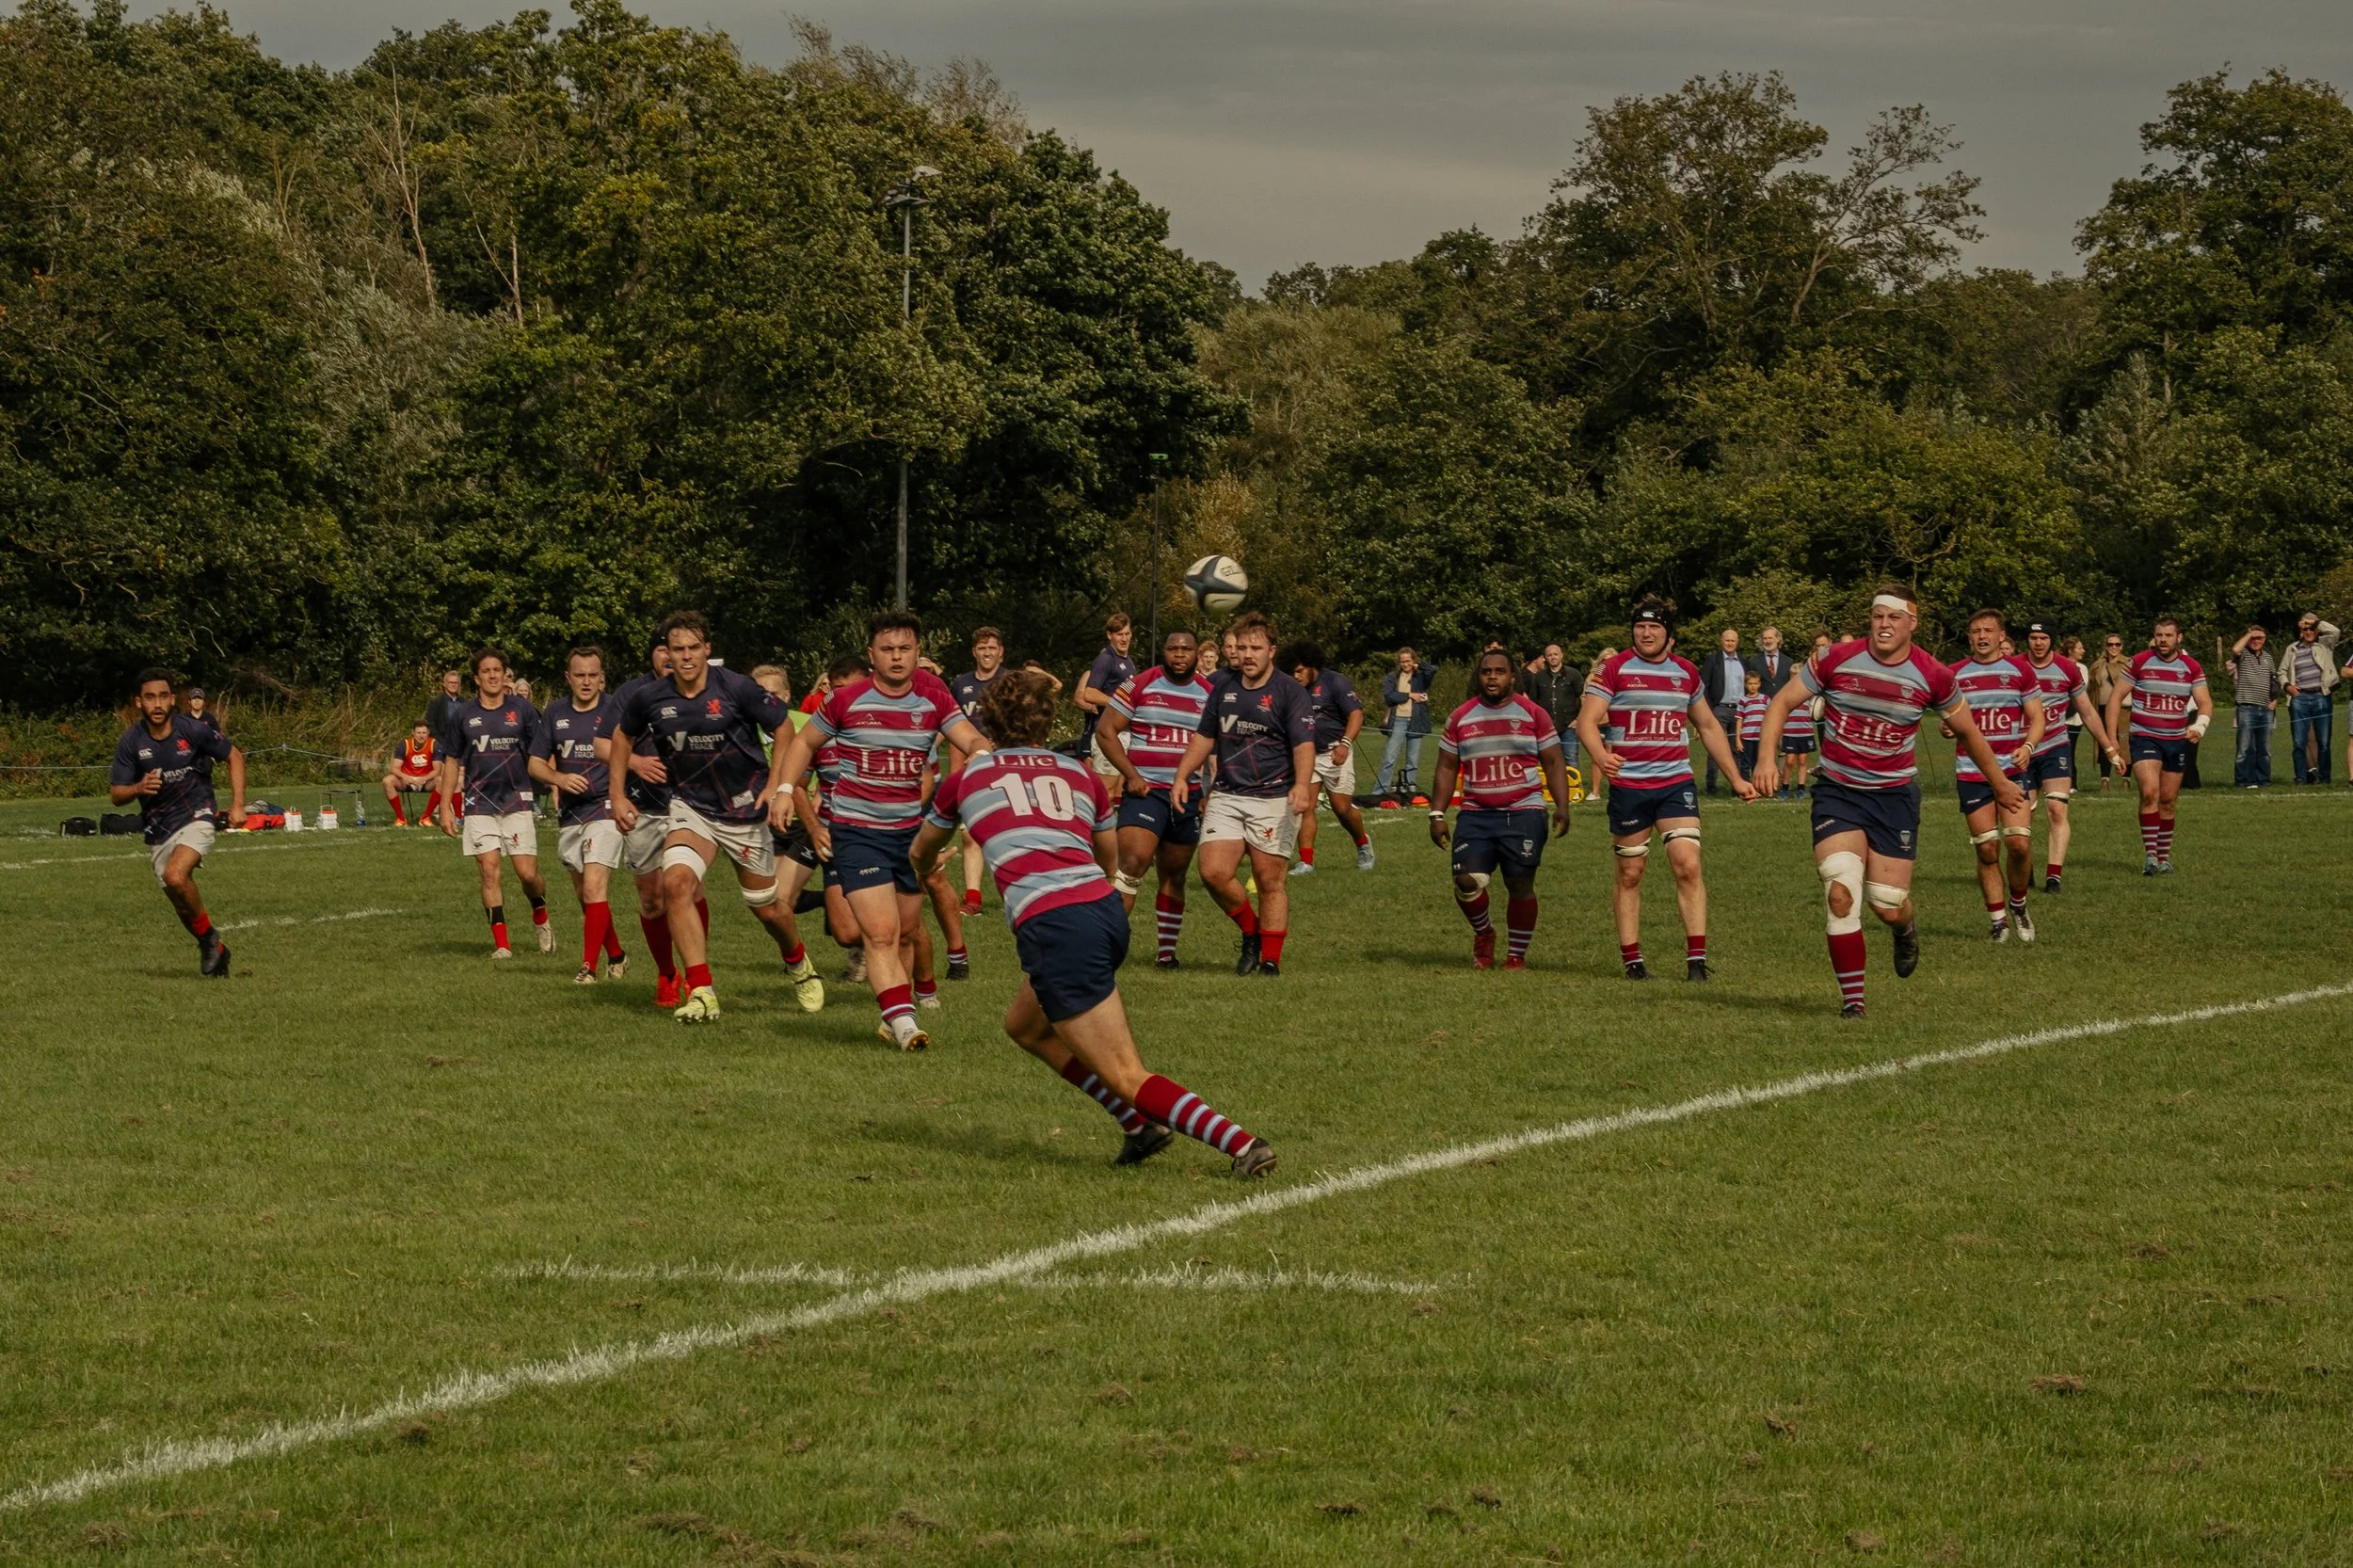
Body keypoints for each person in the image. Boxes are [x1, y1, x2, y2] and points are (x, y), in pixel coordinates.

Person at [911, 671, 1276, 1176]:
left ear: (986, 722)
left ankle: (1240, 1143)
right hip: (1102, 911)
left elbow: (921, 850)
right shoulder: (1078, 772)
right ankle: (1138, 1126)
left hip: (1056, 926)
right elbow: (1112, 860)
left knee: (1126, 1071)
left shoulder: (966, 779)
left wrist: (922, 867)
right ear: (1047, 722)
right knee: (1025, 1026)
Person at [1753, 588, 2019, 1017]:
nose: (1884, 624)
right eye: (1878, 616)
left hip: (1893, 797)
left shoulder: (1933, 674)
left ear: (1912, 624)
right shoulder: (1837, 659)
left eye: (1894, 618)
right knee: (1840, 892)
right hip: (1838, 791)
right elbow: (1782, 703)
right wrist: (1766, 758)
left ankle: (1905, 928)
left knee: (1885, 901)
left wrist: (2001, 784)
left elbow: (1969, 733)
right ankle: (1853, 1003)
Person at [775, 611, 989, 1048]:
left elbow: (969, 737)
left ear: (917, 654)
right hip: (856, 832)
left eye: (905, 649)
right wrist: (782, 788)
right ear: (872, 655)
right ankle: (905, 1022)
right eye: (888, 650)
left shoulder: (935, 698)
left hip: (909, 836)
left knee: (907, 932)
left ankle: (894, 1015)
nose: (896, 657)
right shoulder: (846, 699)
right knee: (879, 933)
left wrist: (984, 755)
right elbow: (803, 742)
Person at [609, 613, 822, 1023]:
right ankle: (702, 990)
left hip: (744, 812)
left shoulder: (737, 687)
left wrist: (778, 787)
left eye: (693, 648)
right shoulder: (650, 697)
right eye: (677, 649)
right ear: (666, 653)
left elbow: (783, 729)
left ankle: (798, 962)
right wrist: (617, 794)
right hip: (692, 808)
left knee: (768, 909)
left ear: (707, 649)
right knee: (675, 882)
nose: (685, 657)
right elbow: (622, 736)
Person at [1577, 600, 1753, 982]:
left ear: (1668, 635)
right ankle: (1633, 962)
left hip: (1675, 782)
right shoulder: (1615, 668)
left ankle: (1696, 963)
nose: (1646, 633)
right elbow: (1586, 723)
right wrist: (1600, 756)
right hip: (1629, 786)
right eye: (1640, 626)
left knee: (1688, 865)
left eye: (1654, 627)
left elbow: (1707, 726)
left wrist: (1737, 779)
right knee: (1630, 874)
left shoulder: (1686, 672)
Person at [1170, 611, 1316, 977]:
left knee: (1270, 881)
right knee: (1213, 872)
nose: (1248, 654)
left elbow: (1303, 745)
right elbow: (1205, 736)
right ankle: (1251, 931)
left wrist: (1301, 785)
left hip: (1274, 797)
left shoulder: (1289, 692)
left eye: (1256, 647)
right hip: (1228, 794)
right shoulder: (1223, 687)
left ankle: (1270, 961)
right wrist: (1181, 776)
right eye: (1243, 647)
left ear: (1272, 651)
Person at [1430, 649, 1573, 968]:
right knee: (1466, 881)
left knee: (1519, 883)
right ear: (1478, 677)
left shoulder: (1533, 714)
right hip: (1476, 813)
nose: (1492, 677)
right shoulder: (1460, 717)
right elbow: (1445, 766)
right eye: (1486, 672)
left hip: (1524, 812)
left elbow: (1553, 761)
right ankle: (1484, 933)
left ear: (1512, 677)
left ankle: (1516, 955)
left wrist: (1562, 806)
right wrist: (1436, 814)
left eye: (1499, 671)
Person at [110, 669, 246, 976]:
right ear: (138, 703)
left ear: (172, 699)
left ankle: (209, 940)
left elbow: (234, 756)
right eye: (149, 697)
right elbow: (116, 794)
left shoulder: (193, 730)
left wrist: (238, 804)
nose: (157, 704)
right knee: (179, 898)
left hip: (198, 812)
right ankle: (214, 948)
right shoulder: (131, 742)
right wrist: (136, 789)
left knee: (175, 875)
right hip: (158, 827)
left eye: (162, 696)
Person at [1096, 629, 1213, 968]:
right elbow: (1106, 731)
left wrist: (1209, 790)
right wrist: (1131, 776)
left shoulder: (1210, 692)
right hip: (1145, 792)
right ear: (1163, 651)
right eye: (1172, 648)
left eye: (1186, 649)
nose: (1179, 654)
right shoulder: (1142, 683)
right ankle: (1107, 949)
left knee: (1174, 875)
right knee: (1132, 865)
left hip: (1187, 796)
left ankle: (1166, 954)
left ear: (1196, 654)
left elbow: (1220, 745)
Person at [437, 649, 552, 959]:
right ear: (476, 678)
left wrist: (557, 781)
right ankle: (502, 944)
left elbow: (540, 751)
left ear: (504, 675)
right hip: (478, 803)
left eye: (497, 670)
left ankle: (540, 911)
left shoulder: (523, 710)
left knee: (527, 875)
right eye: (486, 671)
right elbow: (451, 759)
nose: (492, 675)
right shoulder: (462, 715)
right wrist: (445, 804)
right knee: (489, 871)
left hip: (517, 801)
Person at [527, 646, 632, 984]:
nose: (586, 682)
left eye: (593, 675)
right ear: (568, 678)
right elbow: (534, 763)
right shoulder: (555, 713)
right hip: (572, 814)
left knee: (594, 887)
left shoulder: (617, 709)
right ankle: (616, 954)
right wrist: (559, 778)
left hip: (607, 807)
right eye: (580, 675)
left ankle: (588, 967)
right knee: (586, 897)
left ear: (602, 677)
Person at [1945, 612, 2045, 942]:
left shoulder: (2020, 670)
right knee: (1987, 851)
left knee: (2018, 844)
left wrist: (2029, 745)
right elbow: (1947, 721)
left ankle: (2019, 904)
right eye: (1975, 631)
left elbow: (2037, 717)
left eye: (1988, 630)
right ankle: (1998, 921)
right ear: (1969, 637)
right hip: (1971, 774)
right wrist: (1945, 727)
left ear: (2002, 635)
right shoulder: (1955, 674)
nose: (1982, 636)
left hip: (2013, 771)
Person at [611, 636, 693, 1007]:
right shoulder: (632, 693)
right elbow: (603, 744)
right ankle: (667, 974)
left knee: (688, 889)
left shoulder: (702, 690)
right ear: (655, 656)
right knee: (651, 899)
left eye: (677, 650)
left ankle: (696, 976)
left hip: (689, 805)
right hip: (642, 807)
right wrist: (635, 764)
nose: (672, 657)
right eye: (664, 650)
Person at [2105, 616, 2213, 875]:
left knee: (2168, 800)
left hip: (2176, 741)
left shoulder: (2191, 667)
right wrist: (2112, 742)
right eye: (2158, 635)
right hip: (2144, 737)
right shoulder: (2140, 662)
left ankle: (2164, 858)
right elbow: (2115, 699)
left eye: (2168, 635)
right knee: (2150, 792)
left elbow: (2205, 703)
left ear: (2179, 638)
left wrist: (2199, 727)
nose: (2162, 640)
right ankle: (2150, 856)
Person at [2022, 622, 2123, 894]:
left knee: (2057, 809)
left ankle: (2054, 876)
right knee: (2023, 817)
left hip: (2056, 747)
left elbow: (2088, 712)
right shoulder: (2015, 666)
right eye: (2033, 638)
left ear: (2052, 641)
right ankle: (2024, 869)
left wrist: (2109, 748)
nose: (2038, 643)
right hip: (2022, 750)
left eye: (2043, 637)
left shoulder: (2066, 669)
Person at [1280, 641, 1371, 873]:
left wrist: (1345, 744)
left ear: (1311, 666)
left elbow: (1356, 714)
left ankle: (1363, 844)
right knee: (1304, 807)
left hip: (1335, 751)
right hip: (1307, 753)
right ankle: (1306, 862)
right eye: (1291, 672)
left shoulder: (1335, 682)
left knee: (1341, 808)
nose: (1295, 676)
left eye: (1299, 670)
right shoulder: (1291, 687)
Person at [949, 627, 1010, 914]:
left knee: (1007, 834)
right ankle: (973, 897)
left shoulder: (1010, 681)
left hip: (1004, 767)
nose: (987, 653)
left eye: (992, 648)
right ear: (974, 652)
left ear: (1001, 652)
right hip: (971, 769)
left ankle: (1015, 891)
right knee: (969, 833)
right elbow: (949, 726)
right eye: (982, 648)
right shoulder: (961, 684)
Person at [1075, 612, 1137, 781]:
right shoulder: (1106, 659)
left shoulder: (1127, 660)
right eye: (1119, 635)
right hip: (1107, 732)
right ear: (1109, 635)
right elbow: (1089, 693)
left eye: (1127, 634)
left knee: (1120, 790)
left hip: (1124, 731)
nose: (1124, 639)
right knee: (1106, 791)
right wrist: (1118, 703)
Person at [2277, 614, 2338, 783]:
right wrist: (2287, 685)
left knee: (2324, 742)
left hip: (2321, 696)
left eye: (2312, 629)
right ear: (2300, 631)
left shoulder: (2324, 645)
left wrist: (2315, 622)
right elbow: (2281, 672)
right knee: (2299, 742)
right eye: (2305, 629)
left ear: (2317, 630)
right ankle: (2301, 778)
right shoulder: (2292, 649)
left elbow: (2335, 631)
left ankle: (2325, 778)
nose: (2309, 631)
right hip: (2300, 697)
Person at [1375, 648, 1433, 805]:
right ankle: (1379, 791)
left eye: (1408, 661)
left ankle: (1410, 792)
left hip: (1416, 720)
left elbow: (1433, 670)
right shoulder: (1393, 677)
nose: (1406, 664)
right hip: (1398, 720)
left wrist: (1419, 665)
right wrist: (1409, 695)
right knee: (1389, 758)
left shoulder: (1420, 677)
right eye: (1403, 661)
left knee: (1412, 760)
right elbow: (1389, 696)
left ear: (1413, 660)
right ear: (1399, 663)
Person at [2226, 625, 2280, 788]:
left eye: (2259, 638)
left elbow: (2274, 680)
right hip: (2246, 707)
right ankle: (2242, 780)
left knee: (2264, 749)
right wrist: (2248, 634)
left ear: (2265, 639)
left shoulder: (2268, 658)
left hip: (2265, 708)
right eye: (2253, 638)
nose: (2256, 641)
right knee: (2244, 747)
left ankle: (2263, 779)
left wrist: (2275, 700)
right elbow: (2235, 649)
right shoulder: (2243, 656)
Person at [1520, 644, 1583, 772]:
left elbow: (1583, 698)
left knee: (1571, 759)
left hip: (1568, 725)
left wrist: (1578, 719)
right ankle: (1550, 789)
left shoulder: (1574, 674)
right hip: (1546, 726)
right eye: (1549, 655)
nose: (1553, 657)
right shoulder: (1539, 677)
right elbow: (1533, 701)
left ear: (1561, 655)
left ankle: (1575, 789)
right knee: (1547, 759)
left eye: (1555, 654)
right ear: (1545, 658)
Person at [1700, 627, 1746, 794]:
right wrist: (1709, 710)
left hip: (1740, 710)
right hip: (1719, 709)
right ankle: (1711, 787)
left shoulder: (1744, 661)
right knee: (1715, 749)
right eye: (1727, 640)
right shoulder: (1713, 660)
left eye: (1733, 640)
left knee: (1737, 749)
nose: (1730, 643)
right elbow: (1704, 686)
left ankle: (1737, 787)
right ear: (1721, 641)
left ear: (1737, 642)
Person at [2086, 634, 2132, 791]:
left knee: (2124, 742)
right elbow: (2091, 687)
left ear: (2122, 646)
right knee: (2104, 743)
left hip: (2124, 709)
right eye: (2110, 644)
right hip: (2102, 708)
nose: (2114, 647)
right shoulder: (2098, 665)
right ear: (2105, 646)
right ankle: (2104, 779)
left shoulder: (2128, 663)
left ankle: (2126, 779)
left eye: (2117, 644)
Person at [382, 719, 440, 826]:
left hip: (426, 781)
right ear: (413, 733)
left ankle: (426, 817)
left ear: (428, 733)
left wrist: (424, 778)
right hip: (406, 781)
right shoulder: (405, 744)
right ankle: (400, 819)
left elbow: (437, 770)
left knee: (441, 781)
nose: (421, 736)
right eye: (418, 733)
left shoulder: (434, 744)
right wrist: (406, 777)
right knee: (387, 781)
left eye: (424, 733)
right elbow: (394, 768)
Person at [1735, 669, 1769, 780]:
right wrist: (1738, 739)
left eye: (1755, 683)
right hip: (1747, 737)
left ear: (1759, 684)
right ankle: (1746, 786)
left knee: (1758, 763)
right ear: (1745, 685)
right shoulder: (1743, 700)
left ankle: (1758, 786)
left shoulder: (1765, 699)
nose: (1753, 686)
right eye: (1750, 684)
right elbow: (1739, 720)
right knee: (1745, 764)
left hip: (1761, 737)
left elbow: (1770, 717)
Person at [424, 669, 465, 753]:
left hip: (462, 746)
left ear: (459, 685)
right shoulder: (436, 702)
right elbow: (430, 725)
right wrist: (442, 744)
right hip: (442, 746)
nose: (453, 685)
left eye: (455, 683)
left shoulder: (464, 702)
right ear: (445, 684)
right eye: (451, 682)